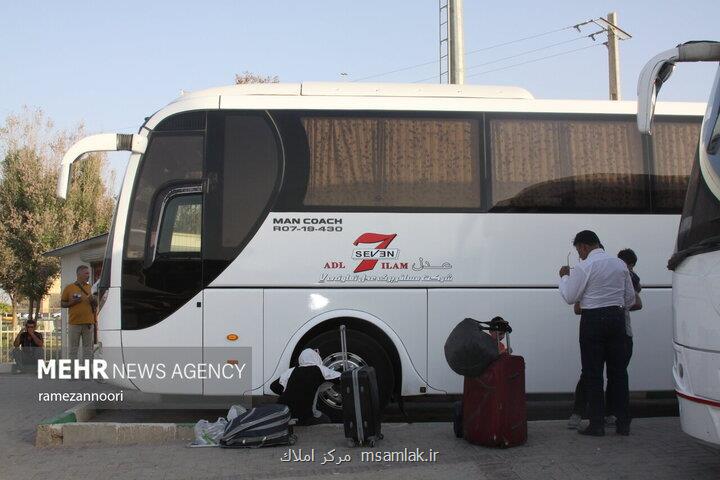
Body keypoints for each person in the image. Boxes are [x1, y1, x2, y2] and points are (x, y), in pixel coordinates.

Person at [558, 230, 636, 436]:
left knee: (593, 373)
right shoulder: (620, 264)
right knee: (619, 373)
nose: (579, 256)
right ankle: (623, 423)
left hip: (592, 320)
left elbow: (569, 296)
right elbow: (630, 298)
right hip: (617, 318)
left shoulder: (585, 267)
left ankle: (597, 424)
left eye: (578, 251)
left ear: (584, 246)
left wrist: (564, 277)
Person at [270, 348, 341, 425]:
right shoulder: (319, 369)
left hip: (283, 413)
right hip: (305, 416)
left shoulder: (291, 371)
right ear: (316, 357)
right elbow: (340, 378)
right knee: (326, 420)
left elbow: (273, 386)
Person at [61, 265, 97, 368]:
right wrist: (71, 302)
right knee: (73, 350)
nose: (88, 275)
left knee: (88, 351)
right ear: (79, 274)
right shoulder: (69, 288)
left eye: (88, 273)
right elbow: (63, 304)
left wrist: (93, 300)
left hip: (88, 324)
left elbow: (96, 304)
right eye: (86, 273)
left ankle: (87, 374)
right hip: (74, 324)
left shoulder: (91, 288)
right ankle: (73, 373)